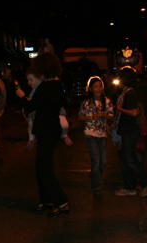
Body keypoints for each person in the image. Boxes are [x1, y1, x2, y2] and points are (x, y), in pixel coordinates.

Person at [16, 53, 69, 218]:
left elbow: (30, 106)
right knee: (40, 168)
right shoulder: (56, 84)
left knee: (46, 169)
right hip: (49, 131)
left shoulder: (47, 86)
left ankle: (62, 203)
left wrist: (21, 96)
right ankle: (47, 201)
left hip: (47, 131)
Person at [113, 67, 147, 197]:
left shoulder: (129, 93)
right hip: (125, 130)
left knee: (130, 159)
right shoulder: (125, 92)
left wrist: (120, 109)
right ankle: (129, 187)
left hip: (130, 131)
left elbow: (134, 112)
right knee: (125, 160)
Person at [78, 76, 114, 197]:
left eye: (100, 86)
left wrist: (105, 114)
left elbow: (111, 116)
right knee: (96, 161)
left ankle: (94, 176)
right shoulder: (86, 102)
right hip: (90, 133)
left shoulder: (107, 101)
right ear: (91, 89)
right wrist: (92, 117)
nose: (98, 89)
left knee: (103, 161)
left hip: (103, 134)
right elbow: (80, 117)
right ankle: (96, 186)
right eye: (95, 87)